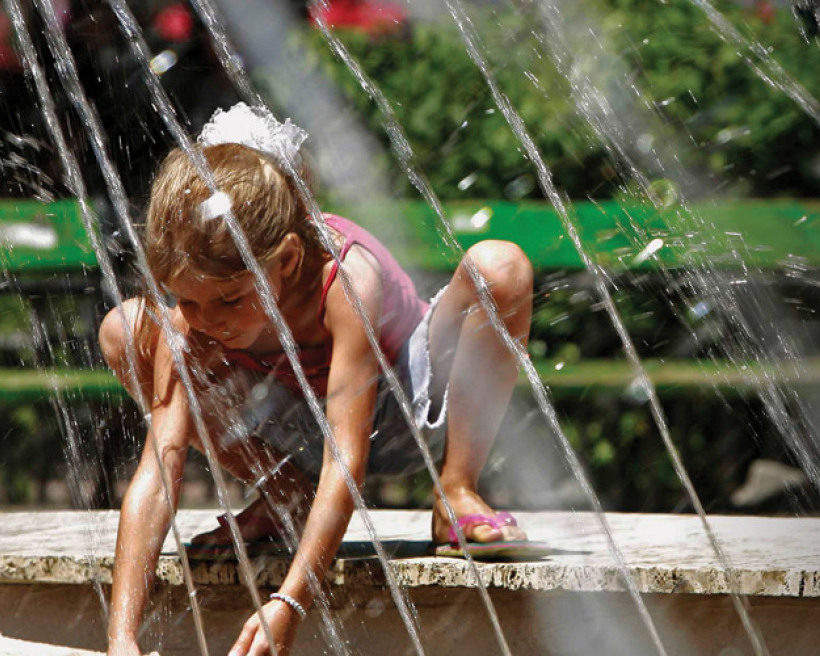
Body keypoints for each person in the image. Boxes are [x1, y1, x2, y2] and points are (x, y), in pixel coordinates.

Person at [100, 104, 540, 656]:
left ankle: (456, 490)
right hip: (294, 422)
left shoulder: (344, 278)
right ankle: (285, 493)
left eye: (230, 298)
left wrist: (289, 602)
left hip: (410, 408)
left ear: (284, 259)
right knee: (128, 328)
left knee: (500, 268)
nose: (208, 317)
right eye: (189, 299)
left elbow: (346, 459)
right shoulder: (194, 319)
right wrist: (120, 640)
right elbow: (157, 468)